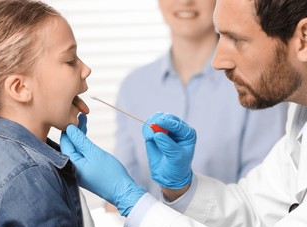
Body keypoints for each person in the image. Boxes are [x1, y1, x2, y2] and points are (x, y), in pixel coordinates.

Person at [61, 0, 307, 227]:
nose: (218, 61)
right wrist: (183, 188)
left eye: (237, 39)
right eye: (220, 35)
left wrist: (134, 203)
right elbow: (257, 213)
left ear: (306, 40)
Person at [114, 0, 287, 198]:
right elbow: (122, 192)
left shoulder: (257, 82)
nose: (186, 2)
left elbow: (261, 197)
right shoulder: (133, 86)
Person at [0, 0, 98, 227]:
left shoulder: (7, 157)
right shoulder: (26, 176)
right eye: (70, 60)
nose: (86, 69)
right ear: (20, 89)